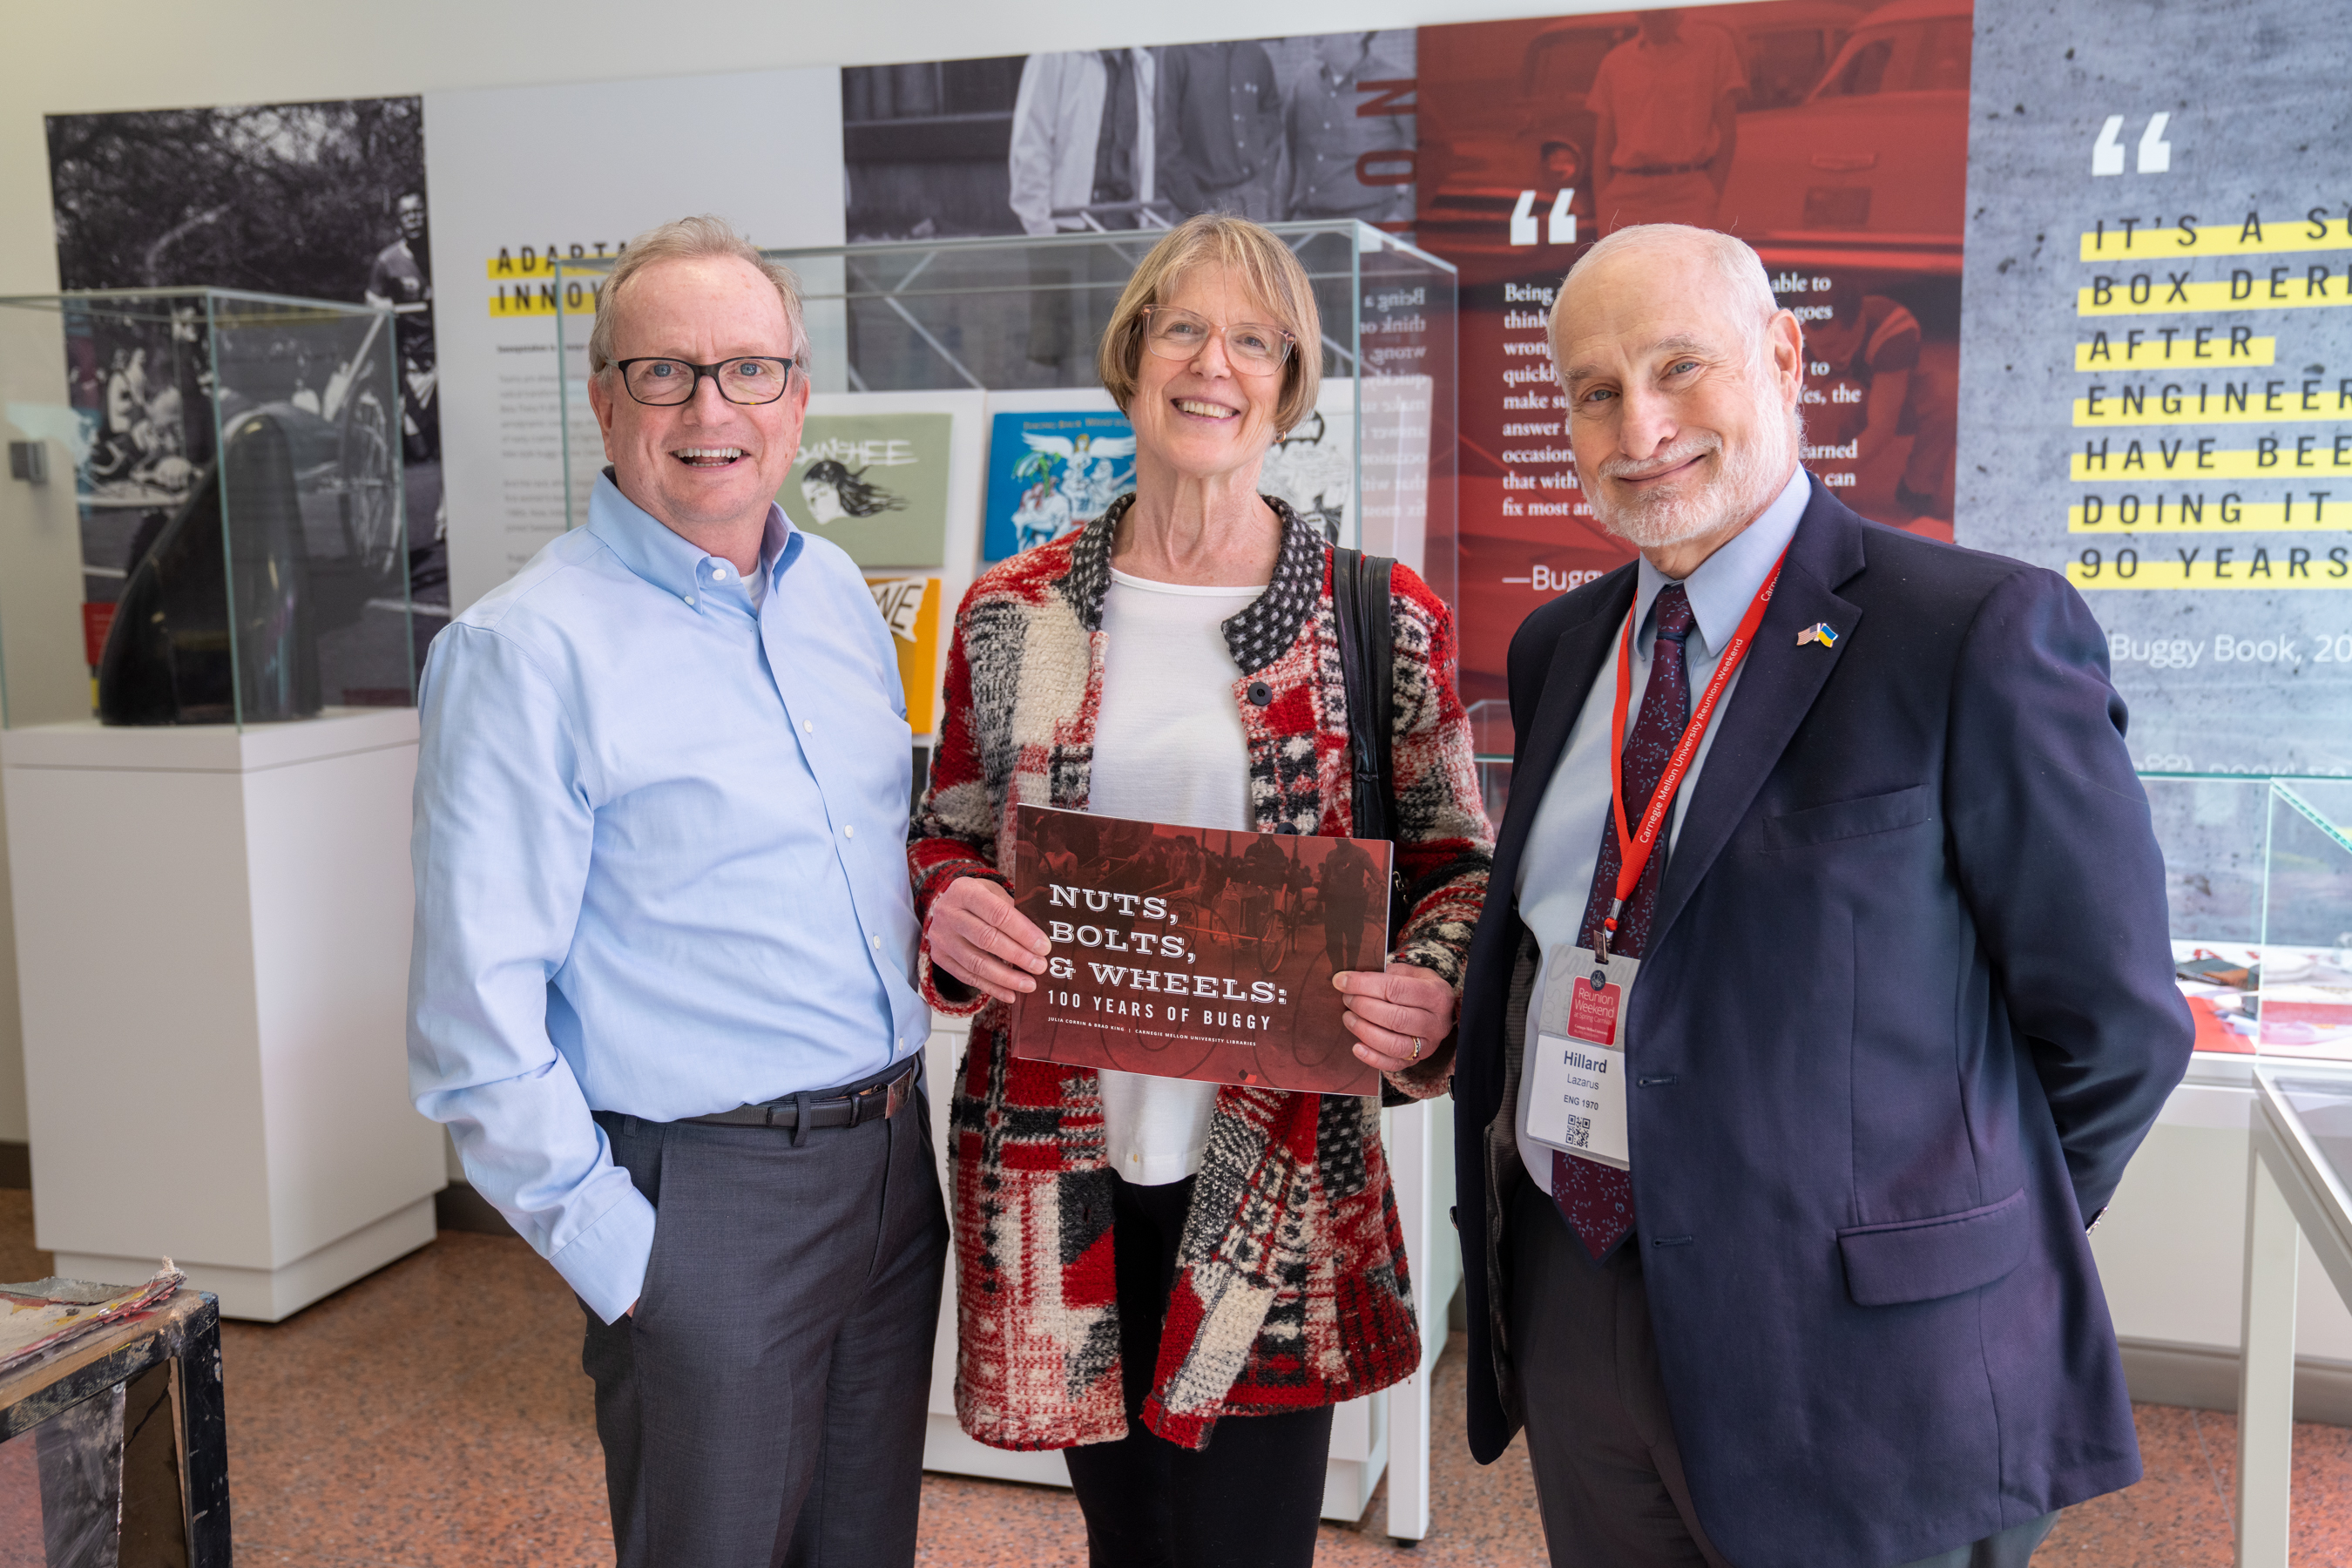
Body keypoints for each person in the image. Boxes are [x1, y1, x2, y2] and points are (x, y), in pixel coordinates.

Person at [1450, 224, 2193, 1568]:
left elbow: (2118, 1027)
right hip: (1581, 1294)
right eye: (1595, 391)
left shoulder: (1971, 631)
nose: (1643, 425)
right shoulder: (1563, 647)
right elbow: (1570, 950)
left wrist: (1943, 1248)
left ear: (1784, 358)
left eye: (1682, 367)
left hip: (1862, 1355)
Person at [909, 213, 1494, 1568]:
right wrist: (946, 903)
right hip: (1062, 1163)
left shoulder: (1375, 613)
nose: (1212, 363)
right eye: (1182, 327)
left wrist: (1431, 984)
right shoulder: (1017, 608)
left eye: (1253, 338)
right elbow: (945, 833)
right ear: (1132, 359)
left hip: (1279, 1171)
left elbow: (1460, 864)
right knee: (1126, 1542)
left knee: (1245, 1545)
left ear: (1288, 384)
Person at [407, 215, 945, 1568]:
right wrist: (633, 1263)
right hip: (707, 1201)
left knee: (860, 1547)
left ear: (799, 396)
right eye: (666, 374)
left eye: (751, 370)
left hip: (891, 1172)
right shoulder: (525, 650)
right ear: (604, 401)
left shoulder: (834, 595)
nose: (713, 408)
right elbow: (474, 1024)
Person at [1805, 276, 1957, 527]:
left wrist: (1830, 474)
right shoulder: (1800, 331)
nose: (1822, 354)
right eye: (1815, 346)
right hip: (1845, 401)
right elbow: (1802, 412)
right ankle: (1821, 496)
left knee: (1947, 393)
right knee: (1837, 396)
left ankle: (1917, 488)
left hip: (1898, 403)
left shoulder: (1892, 326)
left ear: (1857, 324)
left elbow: (1882, 425)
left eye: (1831, 345)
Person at [1586, 11, 1746, 233]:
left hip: (1688, 192)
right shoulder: (1614, 62)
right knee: (1627, 268)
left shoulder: (1714, 45)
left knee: (1687, 267)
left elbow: (1728, 132)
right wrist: (1604, 204)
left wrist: (1711, 192)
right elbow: (1602, 146)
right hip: (1627, 195)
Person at [1284, 30, 1416, 227]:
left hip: (1365, 228)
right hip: (1304, 225)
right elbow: (1286, 156)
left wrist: (1403, 214)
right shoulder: (1305, 78)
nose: (1312, 30)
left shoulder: (1397, 83)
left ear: (1358, 33)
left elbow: (1437, 152)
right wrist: (1277, 220)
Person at [1155, 43, 1288, 222]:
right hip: (1199, 209)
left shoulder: (1254, 53)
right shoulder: (1177, 53)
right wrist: (1199, 209)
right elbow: (1166, 142)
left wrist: (1257, 160)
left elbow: (1272, 113)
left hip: (1252, 205)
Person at [1316, 833, 1382, 974]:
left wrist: (1382, 881)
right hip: (1333, 901)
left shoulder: (1361, 853)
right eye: (1335, 836)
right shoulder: (1331, 855)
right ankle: (1337, 970)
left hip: (1354, 903)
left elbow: (1373, 869)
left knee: (1354, 938)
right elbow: (1325, 878)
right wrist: (1319, 897)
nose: (1338, 839)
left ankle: (1351, 970)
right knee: (1333, 939)